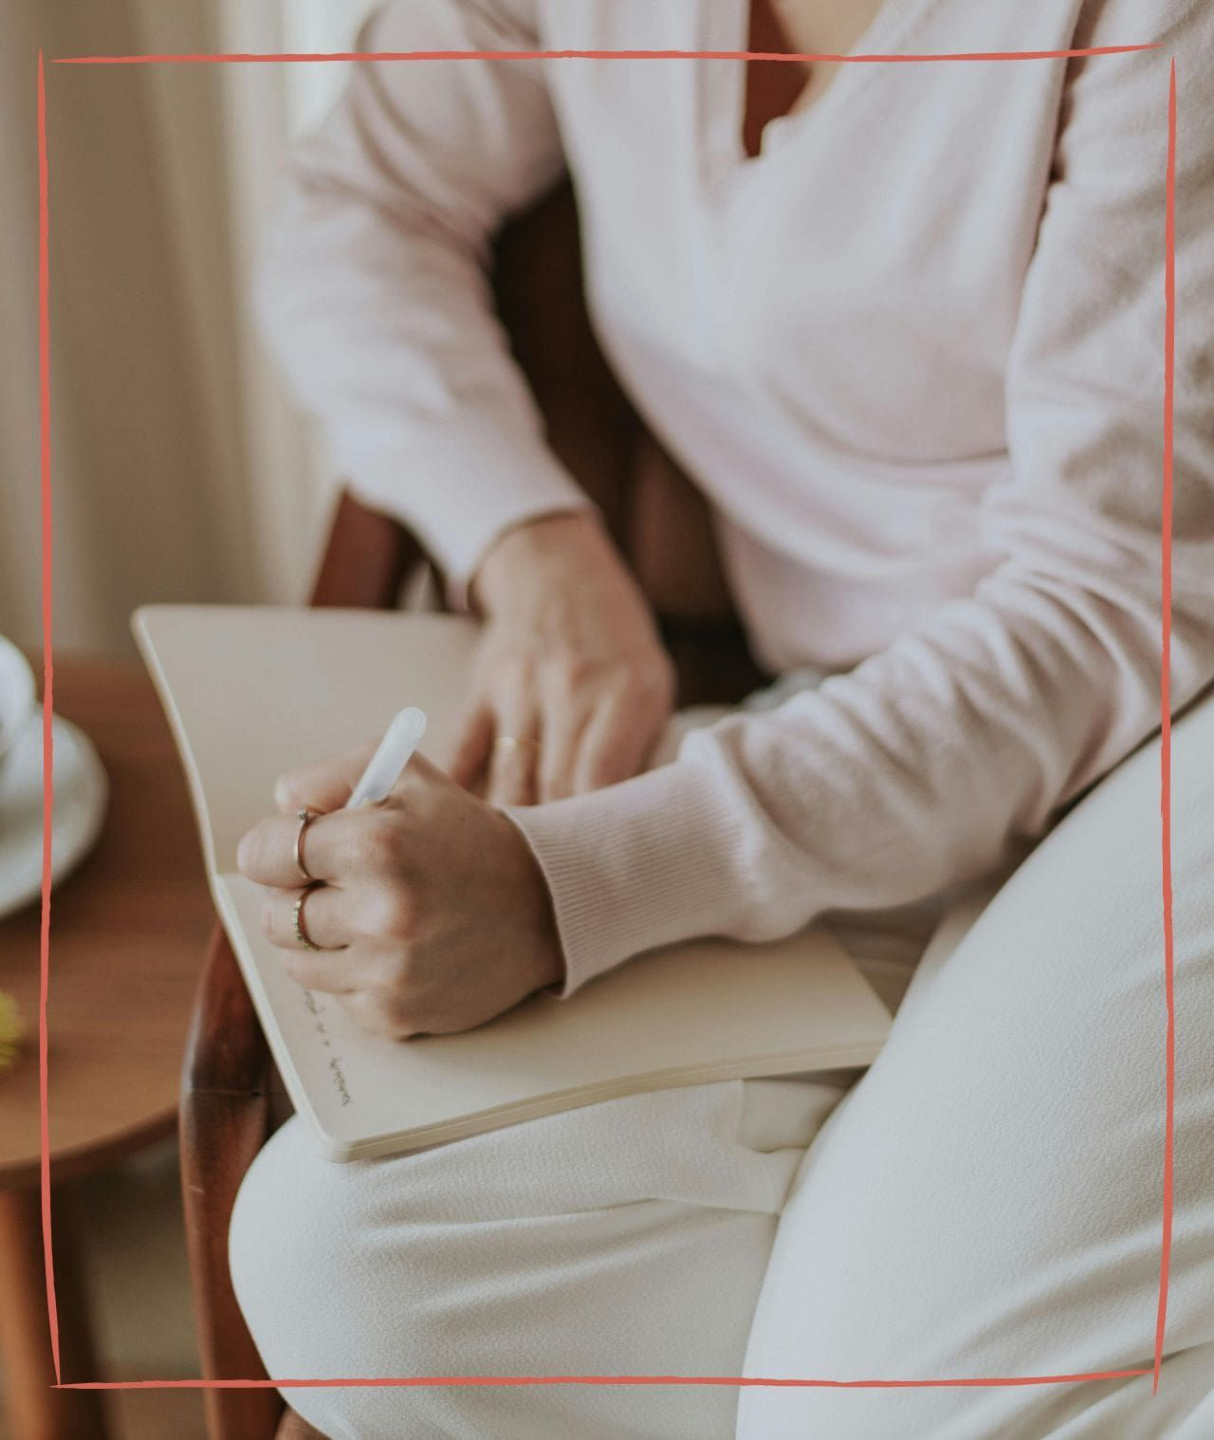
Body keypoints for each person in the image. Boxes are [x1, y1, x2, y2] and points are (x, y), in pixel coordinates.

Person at [228, 1, 1214, 1435]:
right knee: (344, 1273)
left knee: (853, 1415)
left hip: (1162, 740)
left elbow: (1110, 603)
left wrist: (571, 890)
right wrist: (533, 546)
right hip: (850, 728)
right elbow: (356, 203)